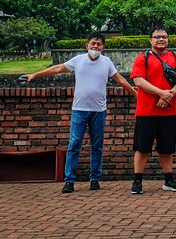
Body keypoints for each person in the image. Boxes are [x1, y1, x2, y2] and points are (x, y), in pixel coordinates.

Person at [22, 32, 137, 193]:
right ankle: (69, 180)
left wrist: (136, 94)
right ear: (87, 45)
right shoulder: (78, 60)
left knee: (96, 146)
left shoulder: (107, 62)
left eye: (99, 44)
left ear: (103, 47)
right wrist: (35, 74)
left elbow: (120, 80)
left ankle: (95, 179)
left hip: (99, 111)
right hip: (79, 110)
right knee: (74, 146)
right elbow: (58, 68)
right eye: (93, 43)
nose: (95, 46)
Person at [129, 28, 176, 194]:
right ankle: (137, 180)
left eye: (164, 37)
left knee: (167, 148)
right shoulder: (143, 58)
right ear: (150, 40)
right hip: (146, 111)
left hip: (169, 111)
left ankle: (169, 179)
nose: (161, 39)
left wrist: (167, 95)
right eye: (157, 37)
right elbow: (139, 81)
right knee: (142, 147)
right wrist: (161, 93)